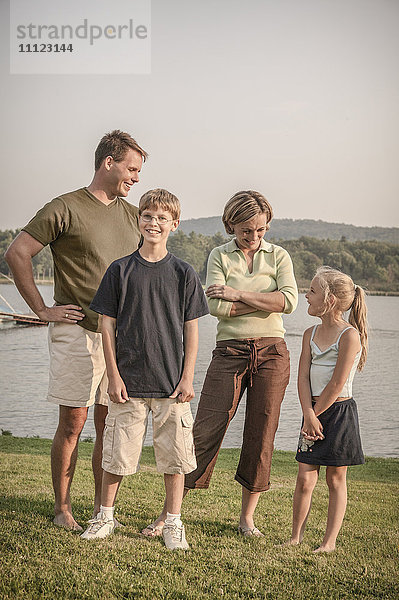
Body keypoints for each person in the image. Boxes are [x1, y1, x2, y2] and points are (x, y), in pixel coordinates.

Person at [4, 130, 148, 531]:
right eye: (131, 168)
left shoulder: (134, 215)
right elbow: (17, 253)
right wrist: (41, 309)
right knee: (73, 422)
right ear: (109, 162)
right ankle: (62, 509)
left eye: (139, 171)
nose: (136, 177)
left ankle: (104, 513)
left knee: (109, 422)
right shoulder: (64, 207)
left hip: (121, 339)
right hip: (76, 331)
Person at [143, 190, 298, 538]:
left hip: (273, 352)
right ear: (231, 224)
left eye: (260, 230)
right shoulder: (219, 255)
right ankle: (169, 514)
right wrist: (264, 301)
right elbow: (217, 308)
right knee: (204, 430)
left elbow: (289, 302)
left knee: (262, 434)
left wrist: (239, 294)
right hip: (229, 352)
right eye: (246, 230)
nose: (254, 237)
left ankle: (247, 519)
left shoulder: (280, 256)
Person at [80, 188, 209, 549]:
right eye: (148, 216)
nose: (154, 223)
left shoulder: (184, 273)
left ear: (175, 224)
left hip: (171, 385)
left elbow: (192, 329)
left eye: (162, 218)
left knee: (175, 459)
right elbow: (106, 325)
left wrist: (187, 377)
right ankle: (105, 516)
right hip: (128, 381)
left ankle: (172, 523)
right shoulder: (120, 270)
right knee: (116, 455)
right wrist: (114, 375)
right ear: (139, 220)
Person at [285, 266, 368, 553]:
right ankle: (296, 537)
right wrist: (308, 414)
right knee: (305, 478)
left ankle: (328, 543)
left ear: (329, 299)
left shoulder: (349, 336)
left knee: (335, 478)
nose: (306, 296)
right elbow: (302, 378)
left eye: (312, 291)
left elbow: (336, 383)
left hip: (338, 413)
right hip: (312, 413)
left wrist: (315, 414)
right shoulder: (309, 333)